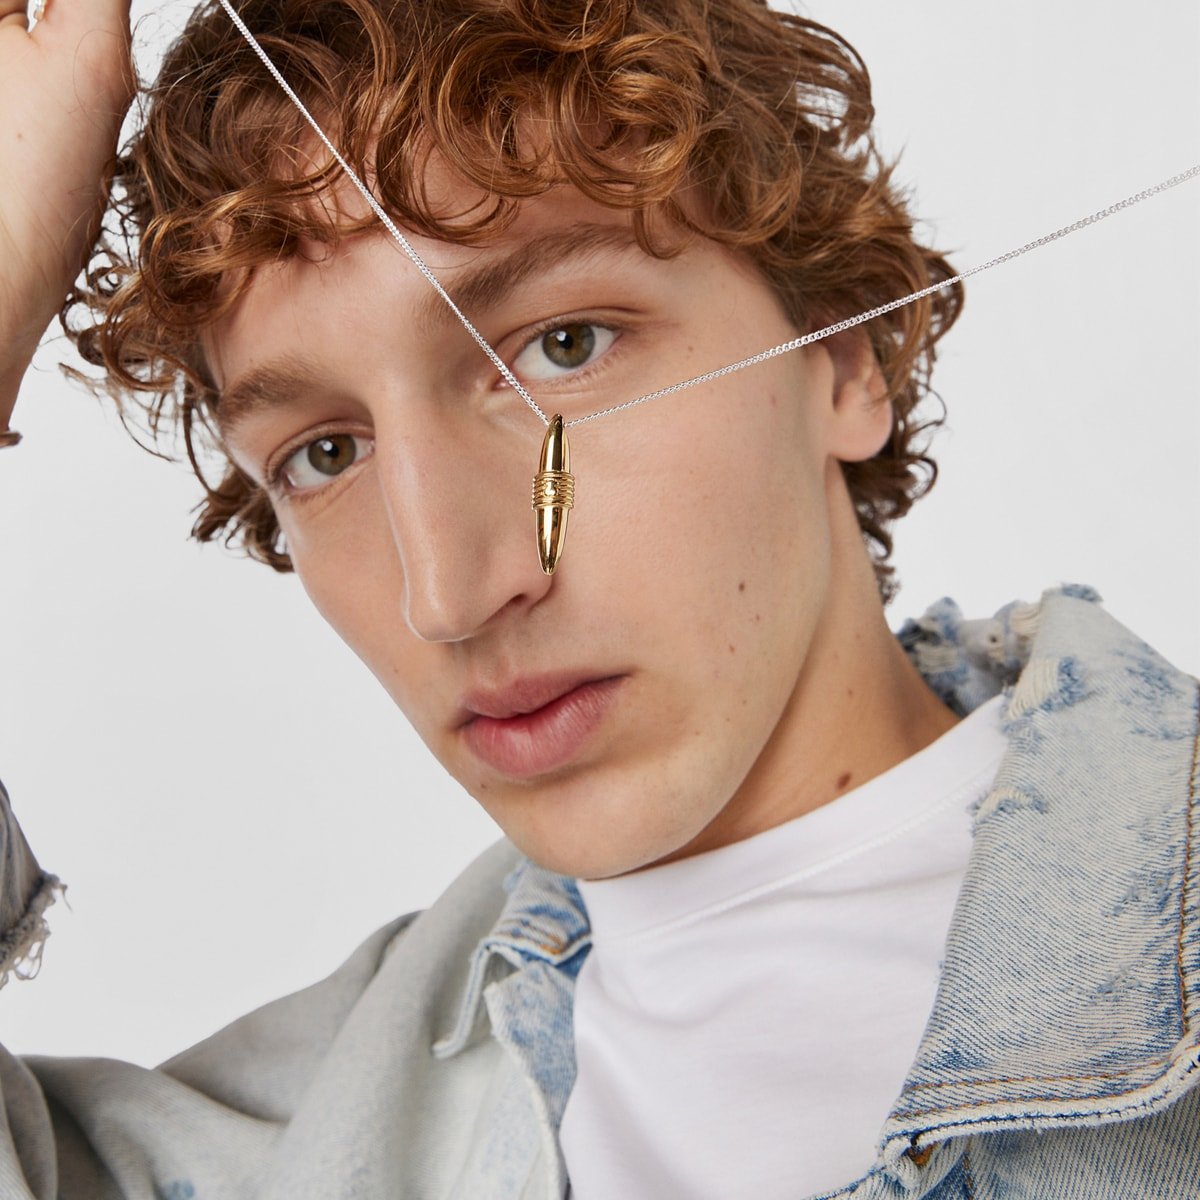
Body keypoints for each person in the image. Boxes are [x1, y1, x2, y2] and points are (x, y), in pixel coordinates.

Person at [0, 0, 1197, 1198]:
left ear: (842, 357)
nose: (450, 594)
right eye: (325, 453)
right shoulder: (294, 1142)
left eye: (564, 345)